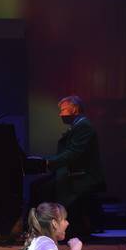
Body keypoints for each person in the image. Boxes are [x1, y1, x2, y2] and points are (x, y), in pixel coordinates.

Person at [32, 96, 105, 238]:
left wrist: (48, 163)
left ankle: (47, 230)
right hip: (73, 172)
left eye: (63, 110)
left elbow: (73, 153)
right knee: (38, 186)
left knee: (41, 189)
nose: (60, 114)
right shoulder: (78, 125)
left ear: (75, 109)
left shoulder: (83, 126)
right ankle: (44, 229)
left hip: (81, 176)